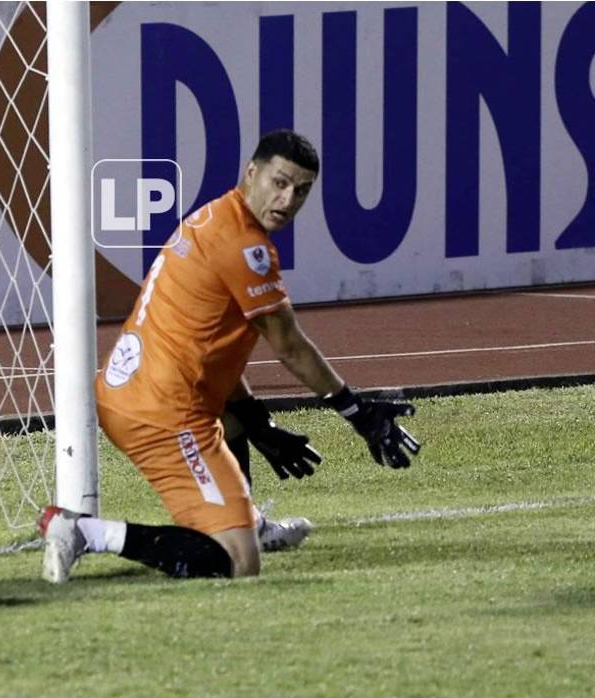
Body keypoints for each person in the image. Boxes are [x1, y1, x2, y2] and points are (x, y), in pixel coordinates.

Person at [41, 129, 419, 583]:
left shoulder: (213, 217)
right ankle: (84, 532)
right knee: (237, 562)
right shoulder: (246, 248)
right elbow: (289, 346)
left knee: (238, 424)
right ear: (252, 173)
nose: (287, 199)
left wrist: (259, 423)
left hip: (136, 389)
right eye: (279, 182)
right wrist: (356, 411)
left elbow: (211, 348)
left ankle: (249, 521)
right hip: (163, 413)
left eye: (301, 191)